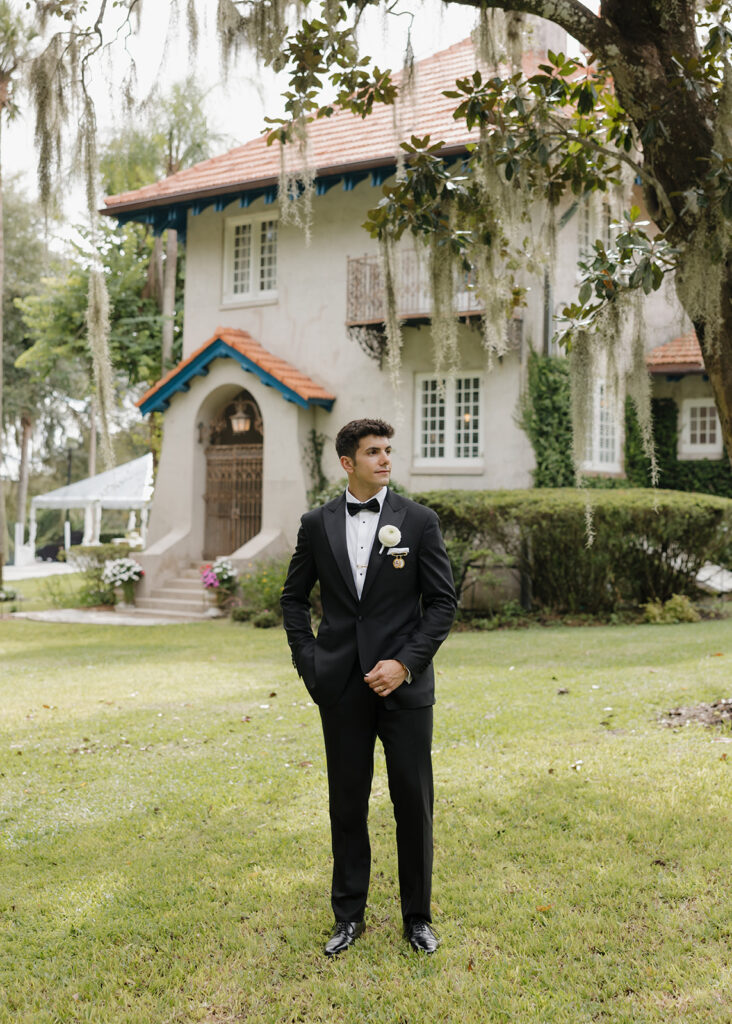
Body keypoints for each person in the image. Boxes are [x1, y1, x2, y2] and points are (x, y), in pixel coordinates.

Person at [280, 418, 457, 956]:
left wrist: (404, 664)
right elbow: (292, 599)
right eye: (373, 452)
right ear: (347, 463)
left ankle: (418, 919)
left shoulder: (419, 520)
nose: (384, 459)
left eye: (387, 450)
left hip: (404, 689)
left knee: (413, 802)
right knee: (347, 803)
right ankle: (348, 917)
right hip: (341, 687)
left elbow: (443, 603)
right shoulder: (316, 523)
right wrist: (311, 663)